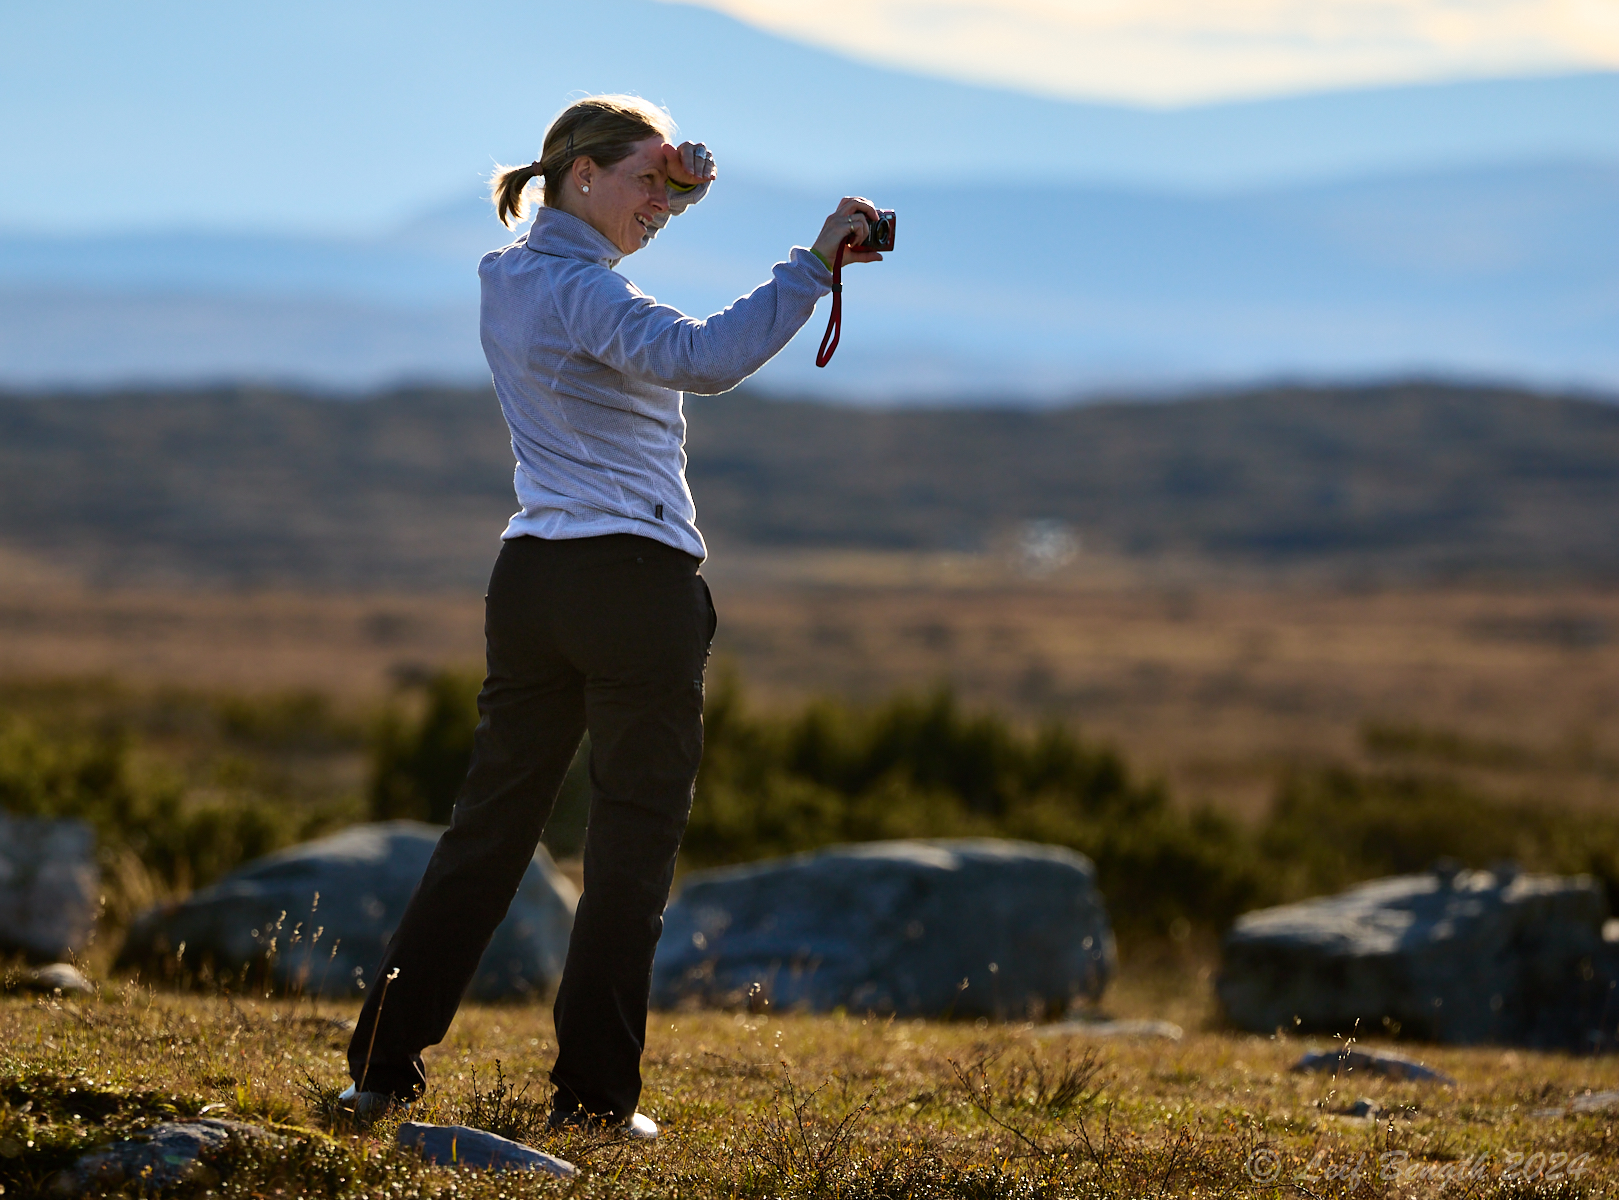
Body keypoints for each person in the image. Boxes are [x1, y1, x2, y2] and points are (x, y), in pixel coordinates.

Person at [340, 94, 883, 1138]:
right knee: (629, 849)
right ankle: (593, 1101)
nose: (657, 206)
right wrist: (811, 265)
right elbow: (704, 358)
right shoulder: (585, 293)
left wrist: (659, 190)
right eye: (642, 183)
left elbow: (590, 248)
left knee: (488, 834)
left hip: (532, 580)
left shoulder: (508, 275)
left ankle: (379, 1070)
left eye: (664, 192)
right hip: (632, 584)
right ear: (580, 175)